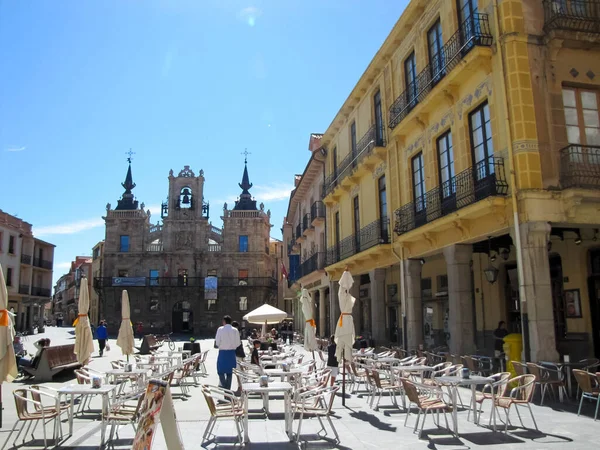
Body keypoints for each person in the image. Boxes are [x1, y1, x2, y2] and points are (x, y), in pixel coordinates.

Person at [215, 315, 241, 390]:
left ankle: (225, 387)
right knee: (230, 372)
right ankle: (227, 389)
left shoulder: (220, 329)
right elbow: (238, 343)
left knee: (220, 371)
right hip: (231, 353)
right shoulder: (235, 330)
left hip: (222, 353)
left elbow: (217, 342)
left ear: (224, 321)